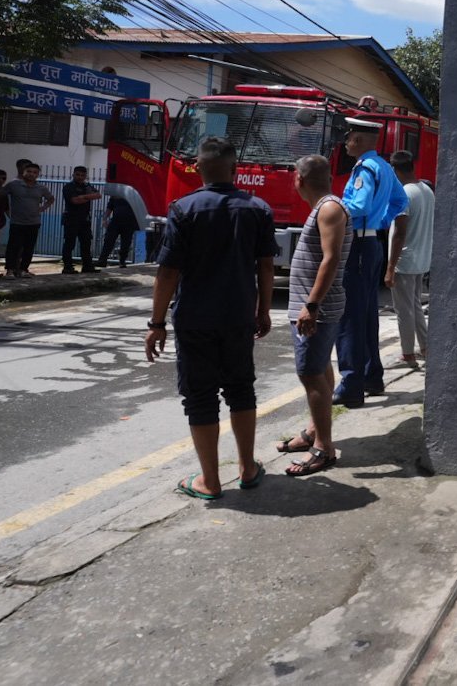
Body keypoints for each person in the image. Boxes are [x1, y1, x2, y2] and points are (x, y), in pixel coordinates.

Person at [145, 137, 277, 500]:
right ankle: (248, 468)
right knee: (241, 389)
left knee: (200, 396)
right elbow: (266, 265)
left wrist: (156, 324)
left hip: (195, 319)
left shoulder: (183, 209)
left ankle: (210, 480)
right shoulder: (259, 209)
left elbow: (168, 273)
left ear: (198, 169)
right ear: (236, 170)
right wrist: (263, 310)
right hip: (238, 317)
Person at [277, 155, 352, 477]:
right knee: (320, 367)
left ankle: (323, 448)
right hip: (313, 306)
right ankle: (312, 431)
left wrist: (312, 305)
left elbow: (331, 259)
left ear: (299, 179)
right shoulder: (323, 208)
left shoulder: (330, 209)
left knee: (310, 374)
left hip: (316, 309)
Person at [334, 118, 408, 407]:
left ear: (361, 140)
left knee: (350, 316)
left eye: (350, 137)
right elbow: (400, 202)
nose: (346, 142)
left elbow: (360, 206)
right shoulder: (386, 167)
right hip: (371, 243)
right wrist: (381, 222)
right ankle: (371, 376)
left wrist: (333, 207)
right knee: (366, 314)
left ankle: (351, 383)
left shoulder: (365, 168)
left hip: (358, 246)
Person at [385, 149, 434, 369]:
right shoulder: (426, 190)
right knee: (414, 305)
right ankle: (425, 347)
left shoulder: (403, 194)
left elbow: (400, 232)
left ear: (395, 171)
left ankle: (407, 355)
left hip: (404, 260)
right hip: (421, 258)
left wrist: (390, 267)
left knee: (403, 310)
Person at [3, 163, 53, 278]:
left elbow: (50, 198)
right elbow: (1, 195)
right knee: (13, 247)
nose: (31, 174)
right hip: (17, 222)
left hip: (34, 222)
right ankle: (10, 270)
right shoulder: (14, 185)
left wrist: (42, 208)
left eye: (35, 172)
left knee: (29, 247)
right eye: (29, 171)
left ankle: (23, 269)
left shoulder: (41, 188)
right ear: (24, 172)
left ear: (38, 174)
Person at [60, 166, 102, 274]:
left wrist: (83, 197)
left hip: (84, 220)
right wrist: (88, 197)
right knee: (69, 244)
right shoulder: (68, 187)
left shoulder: (87, 186)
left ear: (85, 176)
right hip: (71, 219)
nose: (80, 177)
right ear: (73, 174)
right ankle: (67, 267)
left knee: (86, 243)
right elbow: (74, 201)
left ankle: (87, 266)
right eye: (77, 174)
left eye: (82, 175)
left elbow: (98, 195)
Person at [98, 192, 140, 268]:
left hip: (129, 222)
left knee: (126, 243)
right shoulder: (116, 194)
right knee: (108, 240)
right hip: (115, 221)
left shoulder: (133, 194)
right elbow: (109, 207)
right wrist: (104, 219)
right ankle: (102, 261)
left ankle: (122, 261)